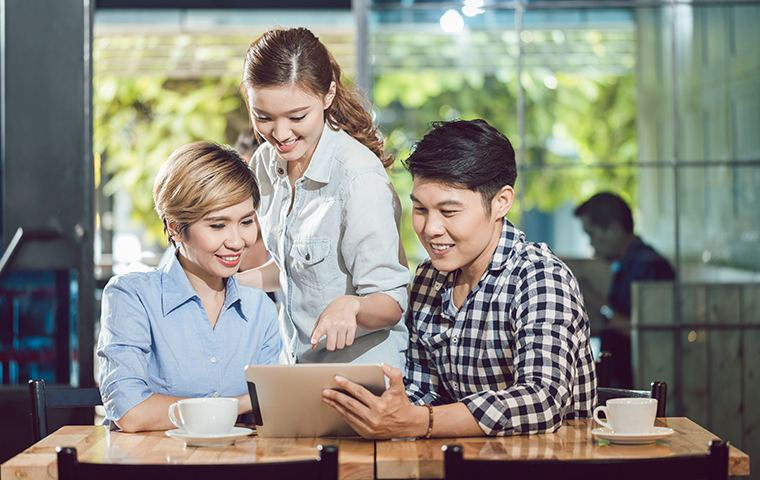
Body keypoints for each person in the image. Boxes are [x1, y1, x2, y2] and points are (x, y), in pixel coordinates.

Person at [322, 119, 597, 439]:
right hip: (462, 462)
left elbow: (542, 401)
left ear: (501, 203)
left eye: (449, 212)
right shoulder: (428, 278)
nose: (430, 228)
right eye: (421, 209)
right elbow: (423, 390)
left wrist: (419, 421)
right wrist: (385, 409)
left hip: (552, 464)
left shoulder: (539, 278)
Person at [237, 27, 410, 369]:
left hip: (362, 375)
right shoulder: (264, 163)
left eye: (297, 117)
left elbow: (391, 301)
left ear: (328, 94)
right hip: (298, 367)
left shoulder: (359, 178)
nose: (281, 134)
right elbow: (295, 266)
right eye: (264, 117)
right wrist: (230, 284)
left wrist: (354, 306)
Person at [97, 141, 282, 432]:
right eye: (218, 226)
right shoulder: (132, 296)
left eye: (246, 222)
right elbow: (131, 413)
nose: (236, 241)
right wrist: (244, 402)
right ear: (173, 227)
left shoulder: (260, 308)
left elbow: (275, 414)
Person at [574, 192, 675, 388]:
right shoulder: (626, 263)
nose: (591, 244)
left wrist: (597, 303)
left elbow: (645, 331)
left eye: (592, 234)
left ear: (613, 229)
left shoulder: (648, 264)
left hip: (641, 385)